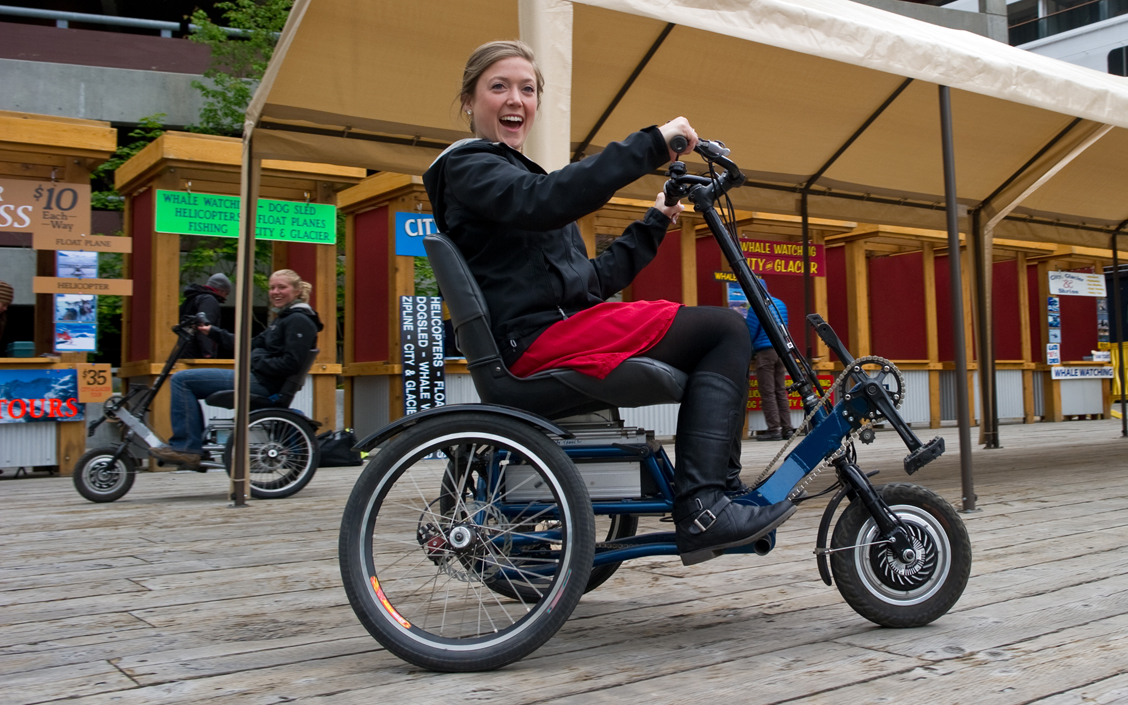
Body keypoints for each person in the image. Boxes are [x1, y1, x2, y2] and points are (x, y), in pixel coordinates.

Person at [421, 40, 795, 566]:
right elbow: (545, 202)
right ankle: (705, 505)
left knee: (716, 331)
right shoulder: (469, 166)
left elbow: (591, 283)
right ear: (469, 100)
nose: (516, 99)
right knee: (723, 331)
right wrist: (652, 145)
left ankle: (715, 494)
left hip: (559, 327)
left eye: (527, 89)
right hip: (534, 342)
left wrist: (655, 220)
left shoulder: (515, 179)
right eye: (498, 86)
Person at [149, 269, 323, 469]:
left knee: (182, 380)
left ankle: (187, 448)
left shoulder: (299, 320)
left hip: (264, 384)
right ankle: (191, 447)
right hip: (258, 378)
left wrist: (255, 359)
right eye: (272, 287)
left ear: (297, 290)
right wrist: (211, 331)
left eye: (282, 287)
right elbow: (249, 344)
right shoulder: (284, 318)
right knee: (183, 379)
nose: (275, 292)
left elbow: (290, 363)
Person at [745, 281, 795, 442]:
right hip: (782, 352)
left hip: (765, 353)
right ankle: (787, 428)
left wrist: (747, 351)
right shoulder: (780, 304)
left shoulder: (755, 308)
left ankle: (774, 429)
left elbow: (750, 333)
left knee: (767, 392)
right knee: (780, 390)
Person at [179, 273, 233, 359]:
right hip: (196, 356)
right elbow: (204, 328)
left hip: (182, 351)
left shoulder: (191, 299)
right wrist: (208, 354)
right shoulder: (209, 301)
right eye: (226, 294)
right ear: (220, 290)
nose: (225, 298)